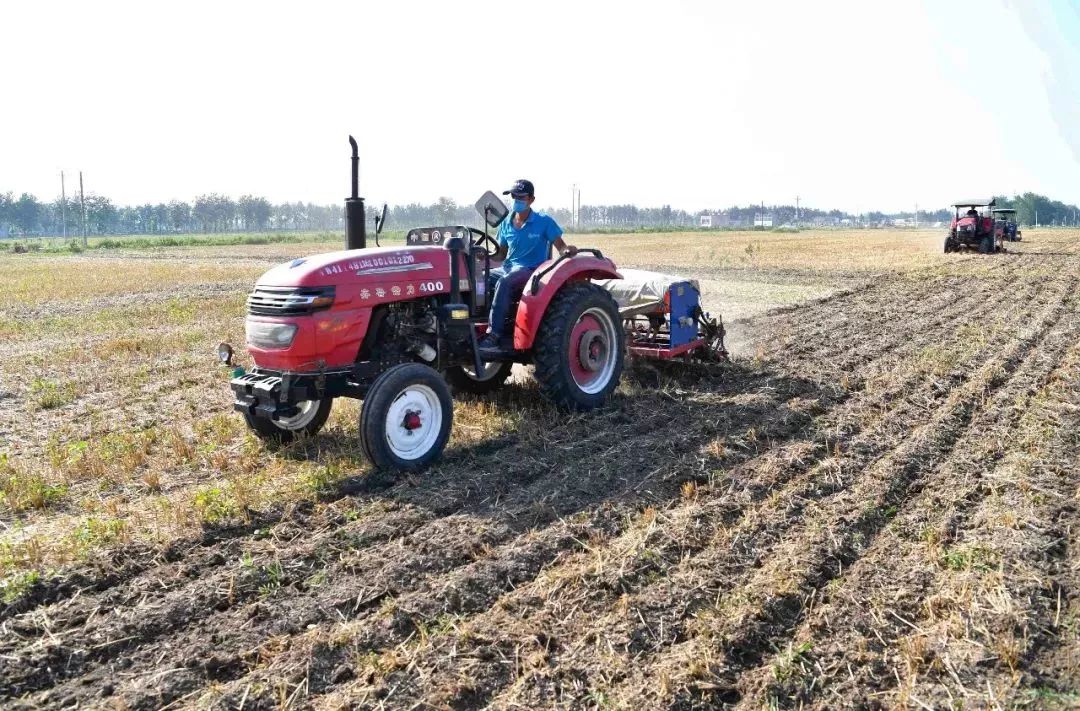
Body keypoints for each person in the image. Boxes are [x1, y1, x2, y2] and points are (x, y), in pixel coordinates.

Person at [478, 179, 577, 353]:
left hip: (532, 270)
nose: (516, 200)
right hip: (509, 267)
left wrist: (567, 250)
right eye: (514, 196)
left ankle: (494, 335)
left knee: (505, 282)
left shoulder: (543, 221)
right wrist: (481, 256)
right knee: (480, 278)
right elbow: (501, 255)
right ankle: (475, 325)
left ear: (531, 199)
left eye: (520, 197)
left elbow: (561, 247)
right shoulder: (506, 223)